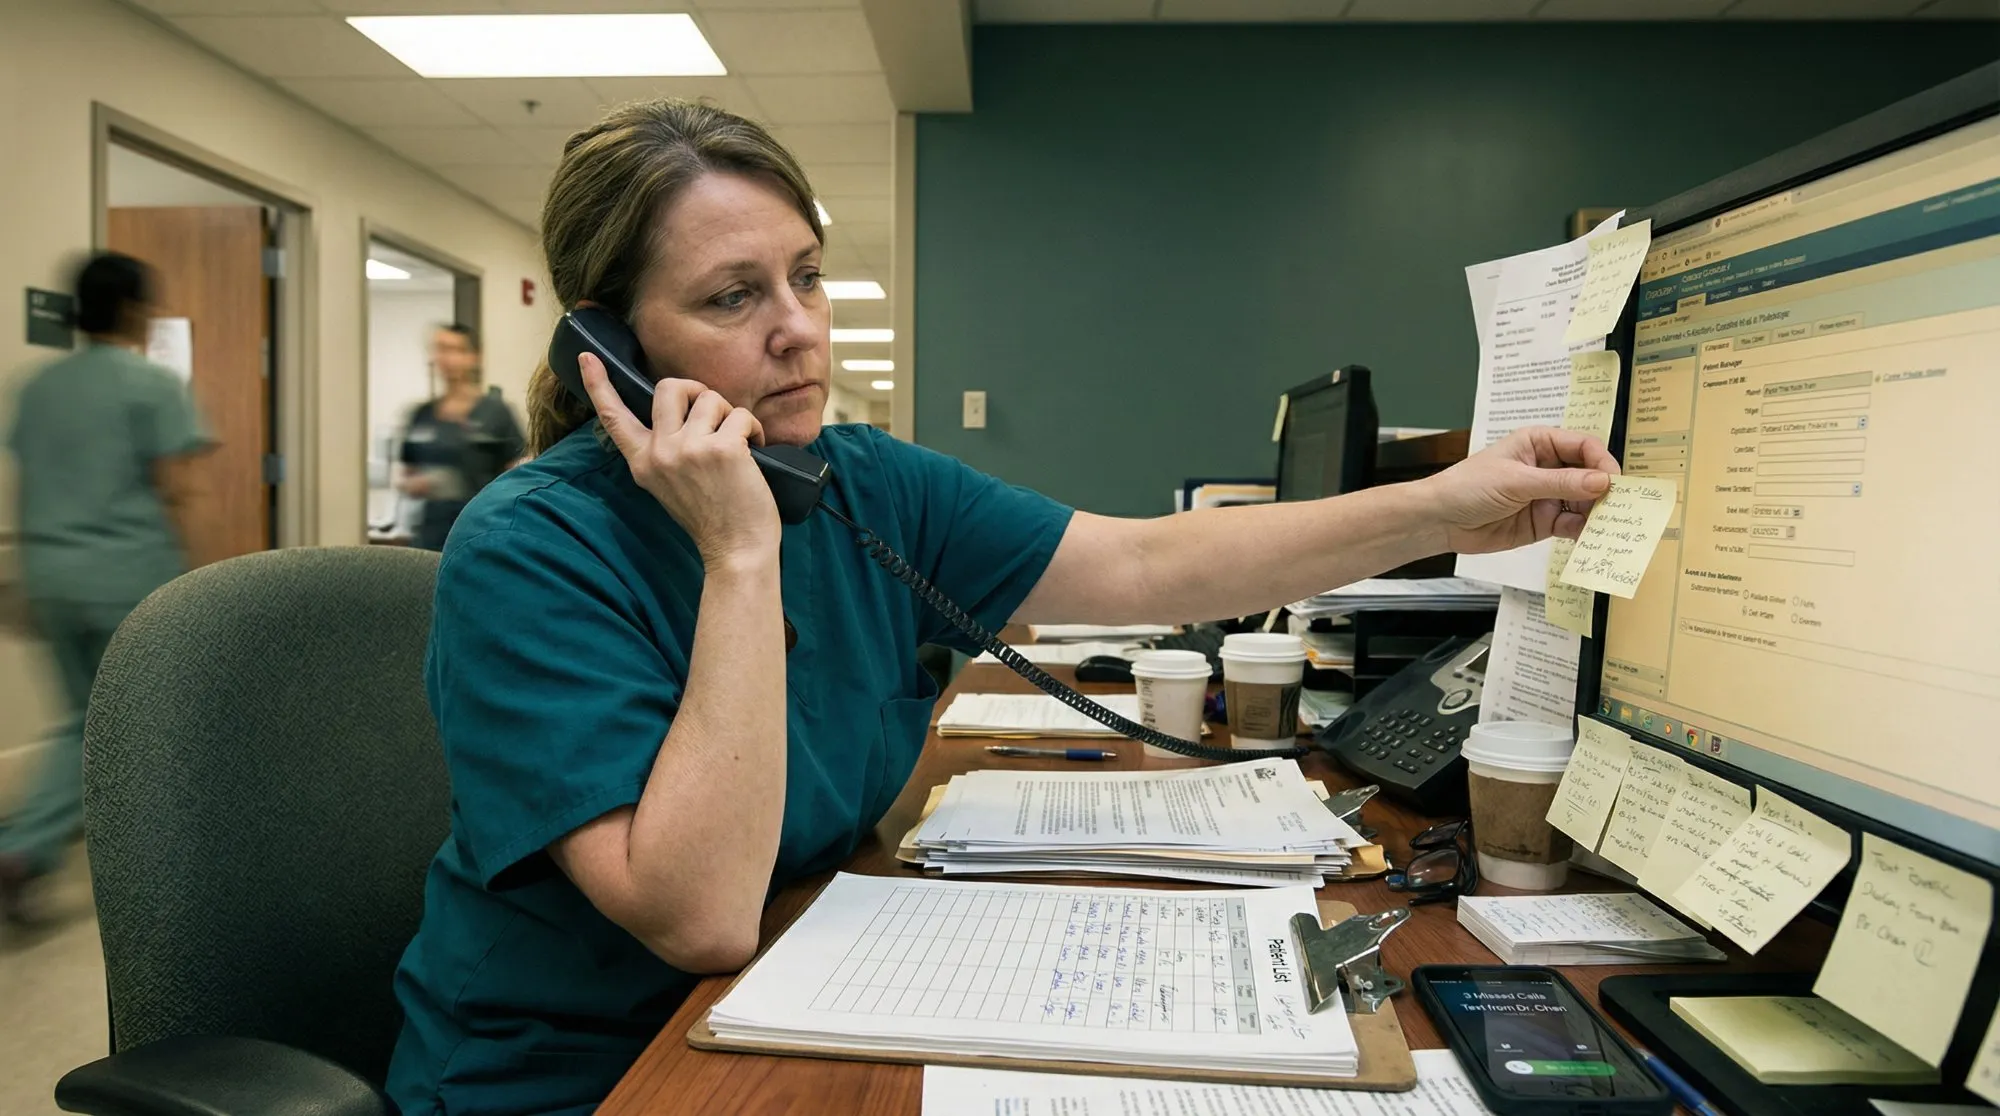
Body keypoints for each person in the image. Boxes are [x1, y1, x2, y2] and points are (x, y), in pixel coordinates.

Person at [386, 100, 1620, 1115]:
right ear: (605, 349)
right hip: (579, 1076)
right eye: (730, 298)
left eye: (805, 278)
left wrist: (1441, 514)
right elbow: (700, 915)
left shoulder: (863, 482)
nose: (797, 329)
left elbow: (1140, 568)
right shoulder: (532, 549)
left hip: (800, 1000)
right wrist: (740, 559)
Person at [1, 251, 215, 921]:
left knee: (81, 717)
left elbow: (29, 483)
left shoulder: (37, 387)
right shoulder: (149, 383)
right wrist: (201, 579)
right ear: (133, 310)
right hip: (126, 574)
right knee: (113, 724)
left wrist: (23, 576)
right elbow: (176, 490)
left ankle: (46, 837)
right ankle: (29, 846)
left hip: (50, 572)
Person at [396, 323, 526, 551]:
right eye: (441, 349)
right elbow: (406, 476)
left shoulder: (496, 413)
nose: (447, 358)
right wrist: (420, 484)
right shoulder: (421, 415)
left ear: (473, 357)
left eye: (455, 350)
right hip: (430, 536)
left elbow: (517, 475)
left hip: (481, 531)